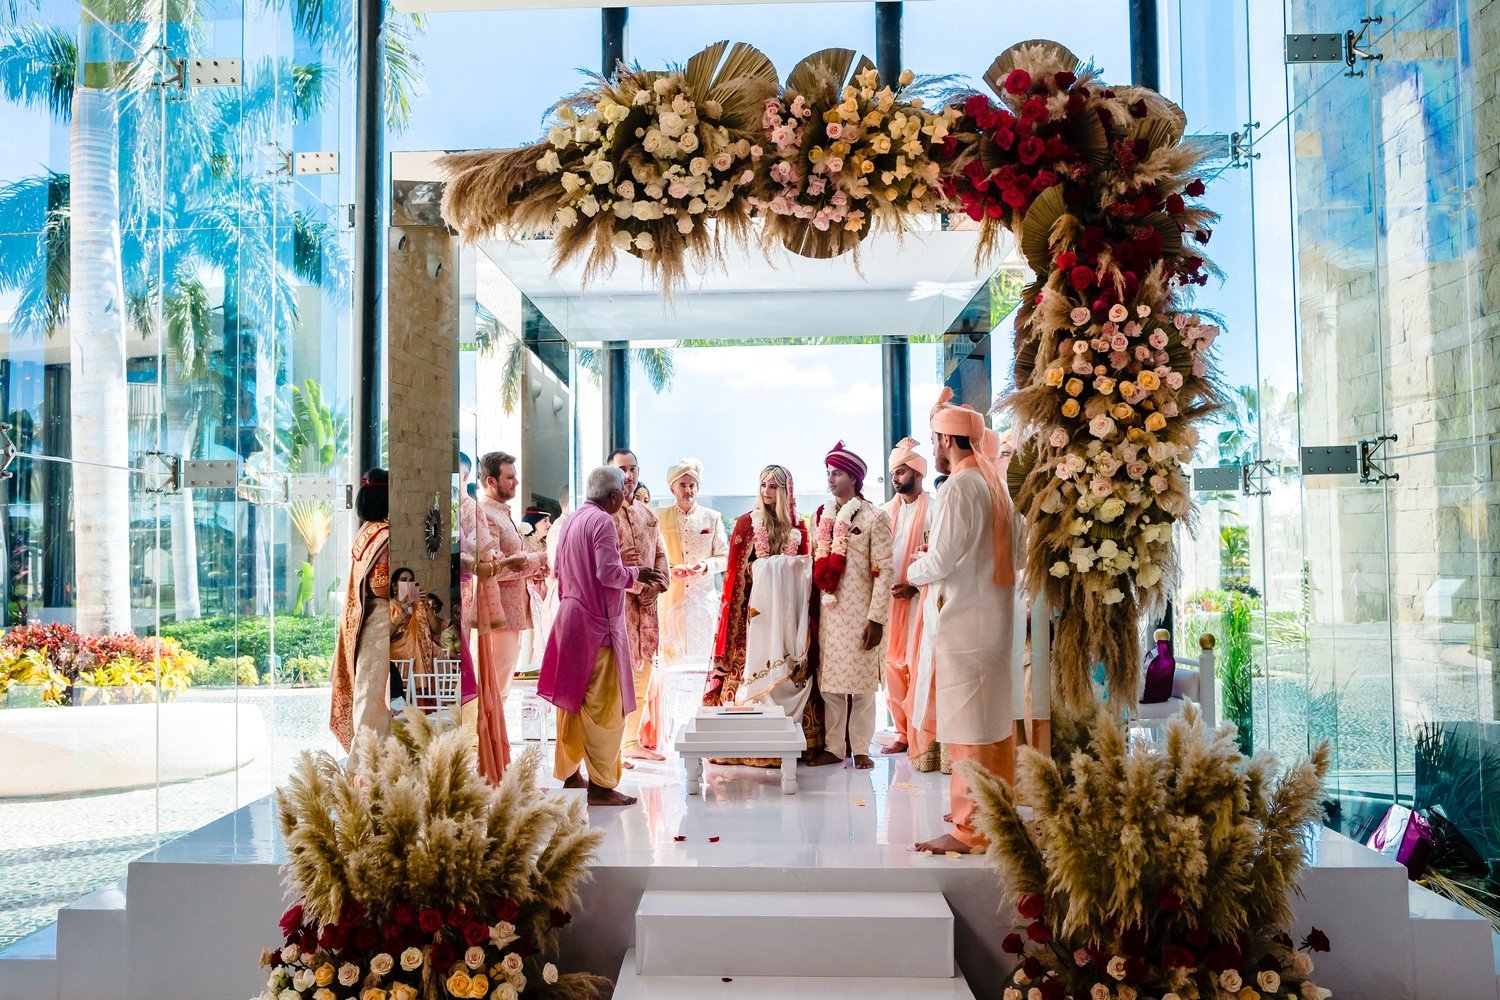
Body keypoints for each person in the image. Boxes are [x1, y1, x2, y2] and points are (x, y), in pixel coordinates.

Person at [907, 389, 1022, 855]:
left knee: (967, 727)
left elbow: (941, 561)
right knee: (993, 721)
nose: (932, 450)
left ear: (949, 441)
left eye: (935, 440)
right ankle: (997, 815)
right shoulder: (996, 485)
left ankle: (969, 830)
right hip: (995, 623)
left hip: (964, 622)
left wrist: (916, 567)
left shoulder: (959, 487)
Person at [540, 466, 665, 805]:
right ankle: (601, 786)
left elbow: (558, 570)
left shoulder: (571, 521)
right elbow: (609, 574)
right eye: (621, 494)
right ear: (612, 496)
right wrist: (637, 572)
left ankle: (570, 774)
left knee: (573, 702)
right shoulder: (603, 522)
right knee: (605, 709)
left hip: (569, 621)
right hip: (597, 625)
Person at [703, 464, 820, 763]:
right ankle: (742, 744)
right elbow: (734, 574)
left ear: (785, 491)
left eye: (773, 486)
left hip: (787, 617)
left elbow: (805, 576)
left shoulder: (799, 529)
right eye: (763, 485)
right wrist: (763, 574)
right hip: (752, 617)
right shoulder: (746, 524)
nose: (766, 492)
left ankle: (793, 740)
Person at [805, 443, 893, 770]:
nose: (831, 479)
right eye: (828, 473)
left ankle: (861, 747)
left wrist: (877, 619)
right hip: (831, 613)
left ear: (854, 477)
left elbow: (884, 570)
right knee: (831, 685)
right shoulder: (822, 518)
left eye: (837, 473)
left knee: (863, 686)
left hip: (861, 615)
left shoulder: (874, 517)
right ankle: (834, 747)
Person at [459, 451, 544, 783]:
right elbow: (493, 571)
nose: (516, 481)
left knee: (501, 691)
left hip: (512, 612)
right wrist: (537, 560)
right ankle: (487, 769)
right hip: (497, 615)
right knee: (493, 692)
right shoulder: (484, 514)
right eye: (510, 477)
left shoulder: (501, 514)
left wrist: (531, 563)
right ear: (490, 481)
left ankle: (494, 765)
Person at [638, 459, 730, 750]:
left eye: (692, 485)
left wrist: (704, 566)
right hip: (671, 602)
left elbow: (725, 557)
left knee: (703, 665)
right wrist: (671, 569)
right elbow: (649, 555)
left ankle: (702, 725)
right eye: (682, 485)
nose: (688, 490)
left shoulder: (712, 518)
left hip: (702, 602)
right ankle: (668, 730)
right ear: (672, 487)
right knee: (670, 666)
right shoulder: (658, 516)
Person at [607, 448, 670, 764]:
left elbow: (661, 554)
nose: (628, 476)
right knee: (621, 676)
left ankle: (632, 741)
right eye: (621, 470)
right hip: (619, 605)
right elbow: (602, 564)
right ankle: (613, 746)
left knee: (644, 672)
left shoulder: (647, 513)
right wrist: (636, 586)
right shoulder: (604, 515)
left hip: (648, 607)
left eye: (632, 469)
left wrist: (658, 585)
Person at [329, 469, 390, 772]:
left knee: (369, 694)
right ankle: (363, 768)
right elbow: (380, 586)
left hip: (362, 618)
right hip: (380, 617)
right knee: (373, 695)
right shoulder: (384, 536)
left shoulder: (366, 530)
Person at [883, 438, 930, 756]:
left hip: (920, 600)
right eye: (893, 474)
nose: (896, 479)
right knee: (892, 668)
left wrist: (915, 587)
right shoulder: (886, 513)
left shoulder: (937, 508)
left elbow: (939, 554)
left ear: (916, 471)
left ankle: (922, 734)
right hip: (890, 602)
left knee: (917, 664)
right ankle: (901, 731)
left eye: (901, 472)